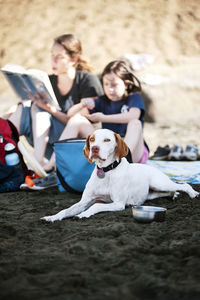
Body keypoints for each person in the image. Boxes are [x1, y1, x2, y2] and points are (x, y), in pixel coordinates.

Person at [8, 34, 103, 170]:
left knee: (39, 109)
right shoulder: (48, 81)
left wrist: (50, 109)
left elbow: (78, 123)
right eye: (52, 55)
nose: (53, 60)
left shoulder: (87, 81)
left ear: (74, 60)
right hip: (49, 143)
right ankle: (6, 159)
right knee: (23, 108)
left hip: (76, 145)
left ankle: (37, 161)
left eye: (60, 57)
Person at [58, 59, 149, 164]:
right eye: (106, 84)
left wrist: (102, 118)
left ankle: (122, 161)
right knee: (77, 120)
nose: (110, 89)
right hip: (109, 149)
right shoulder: (101, 101)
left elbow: (134, 116)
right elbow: (70, 114)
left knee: (135, 123)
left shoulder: (133, 97)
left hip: (133, 151)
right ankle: (54, 164)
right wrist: (81, 105)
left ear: (126, 85)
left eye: (114, 85)